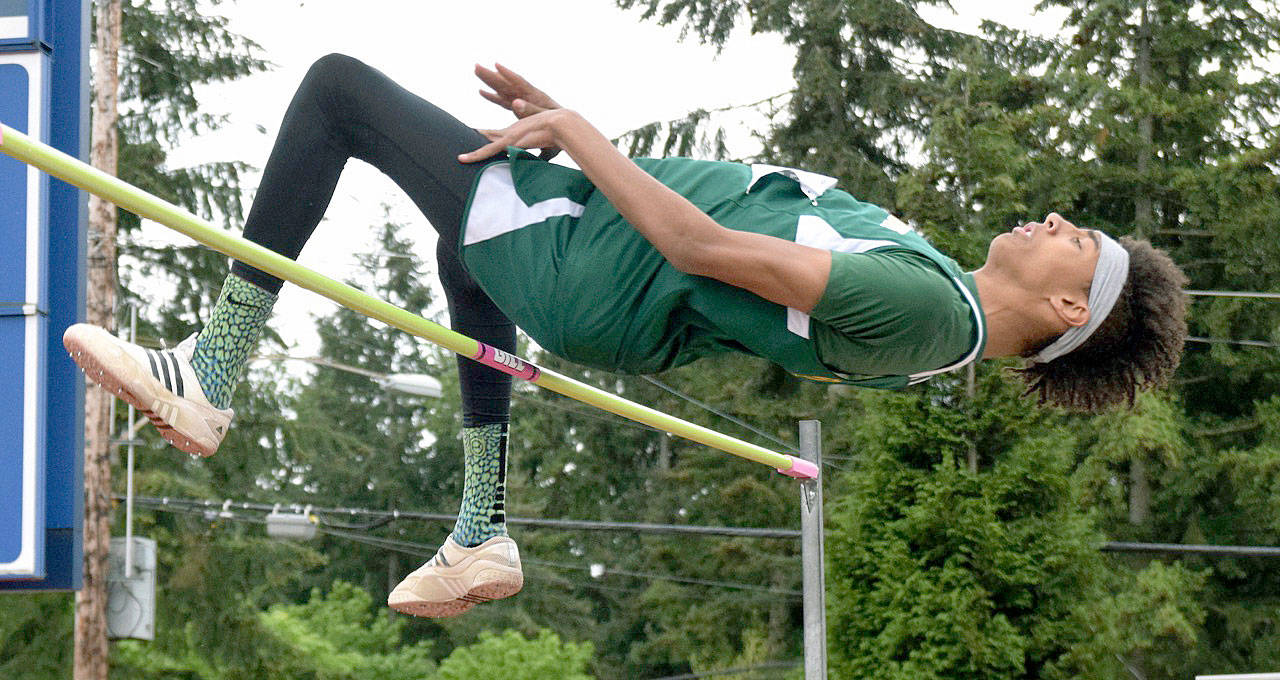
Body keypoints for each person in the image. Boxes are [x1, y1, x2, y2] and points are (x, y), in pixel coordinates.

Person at [63, 54, 1188, 618]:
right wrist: (575, 145)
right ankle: (481, 526)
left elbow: (703, 248)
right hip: (594, 256)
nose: (1051, 221)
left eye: (1072, 242)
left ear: (1057, 316)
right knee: (464, 240)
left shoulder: (928, 312)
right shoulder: (935, 293)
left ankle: (210, 374)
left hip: (593, 267)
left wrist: (582, 135)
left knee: (337, 94)